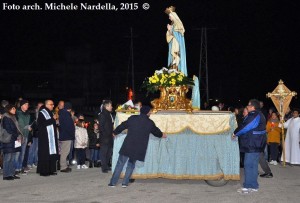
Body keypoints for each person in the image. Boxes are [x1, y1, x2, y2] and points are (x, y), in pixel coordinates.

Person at [108, 105, 167, 187]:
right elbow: (156, 131)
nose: (151, 112)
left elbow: (123, 125)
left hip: (127, 145)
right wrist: (162, 135)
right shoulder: (150, 123)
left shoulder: (133, 118)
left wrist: (115, 132)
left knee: (120, 164)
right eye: (150, 111)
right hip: (138, 148)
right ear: (147, 112)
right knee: (131, 165)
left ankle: (113, 183)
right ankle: (125, 183)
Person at [232, 99, 267, 194]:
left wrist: (235, 133)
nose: (247, 106)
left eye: (248, 105)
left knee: (248, 165)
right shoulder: (259, 114)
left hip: (253, 144)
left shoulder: (254, 114)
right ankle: (254, 186)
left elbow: (246, 126)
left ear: (252, 107)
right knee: (253, 165)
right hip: (255, 143)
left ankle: (247, 186)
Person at [36, 100, 59, 176]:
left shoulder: (50, 112)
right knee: (45, 154)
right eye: (51, 104)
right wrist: (53, 119)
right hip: (45, 138)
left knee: (51, 154)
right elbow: (41, 124)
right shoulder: (42, 113)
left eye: (53, 104)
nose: (53, 106)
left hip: (51, 137)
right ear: (46, 105)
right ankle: (44, 171)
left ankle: (51, 170)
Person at [165, 6, 187, 76]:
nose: (169, 18)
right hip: (173, 44)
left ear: (173, 16)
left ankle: (177, 73)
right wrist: (169, 30)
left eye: (169, 16)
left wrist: (170, 30)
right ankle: (173, 73)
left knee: (177, 57)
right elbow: (169, 38)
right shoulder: (172, 25)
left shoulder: (177, 24)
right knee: (173, 58)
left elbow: (178, 34)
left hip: (177, 44)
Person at [1, 104, 22, 180]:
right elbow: (8, 129)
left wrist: (19, 135)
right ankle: (6, 175)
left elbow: (17, 128)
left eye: (15, 109)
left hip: (14, 139)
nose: (15, 110)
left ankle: (12, 173)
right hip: (9, 139)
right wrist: (17, 135)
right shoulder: (6, 117)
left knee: (13, 158)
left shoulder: (13, 117)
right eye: (13, 109)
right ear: (9, 109)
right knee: (8, 158)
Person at [58, 102, 75, 172]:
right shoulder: (66, 115)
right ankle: (63, 167)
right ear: (70, 109)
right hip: (67, 136)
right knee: (65, 152)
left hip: (64, 135)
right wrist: (72, 134)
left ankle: (64, 165)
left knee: (64, 151)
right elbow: (69, 126)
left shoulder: (62, 113)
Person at [98, 100, 114, 173]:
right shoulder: (102, 114)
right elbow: (101, 126)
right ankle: (104, 167)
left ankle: (106, 166)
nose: (112, 107)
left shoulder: (109, 114)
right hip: (105, 137)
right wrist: (105, 135)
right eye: (110, 105)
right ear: (106, 106)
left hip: (110, 136)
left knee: (109, 152)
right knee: (104, 153)